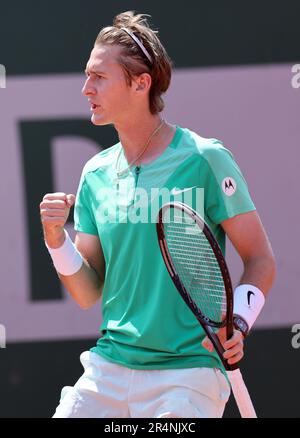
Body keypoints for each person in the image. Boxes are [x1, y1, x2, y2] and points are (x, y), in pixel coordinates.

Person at [40, 11, 276, 418]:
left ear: (140, 83)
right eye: (86, 76)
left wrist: (238, 320)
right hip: (109, 367)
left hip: (189, 374)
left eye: (99, 77)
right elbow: (87, 292)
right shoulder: (95, 174)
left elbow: (260, 259)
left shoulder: (204, 158)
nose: (85, 88)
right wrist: (55, 239)